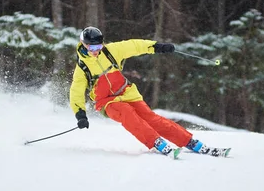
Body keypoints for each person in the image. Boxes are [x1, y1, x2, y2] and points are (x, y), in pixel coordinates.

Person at [69, 26, 229, 159]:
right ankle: (156, 142)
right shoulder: (82, 67)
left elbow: (134, 45)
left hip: (126, 92)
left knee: (151, 118)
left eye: (99, 46)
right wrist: (80, 114)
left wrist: (156, 47)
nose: (96, 51)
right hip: (107, 102)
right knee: (127, 112)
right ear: (84, 45)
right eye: (92, 48)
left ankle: (189, 141)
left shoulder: (111, 51)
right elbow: (76, 91)